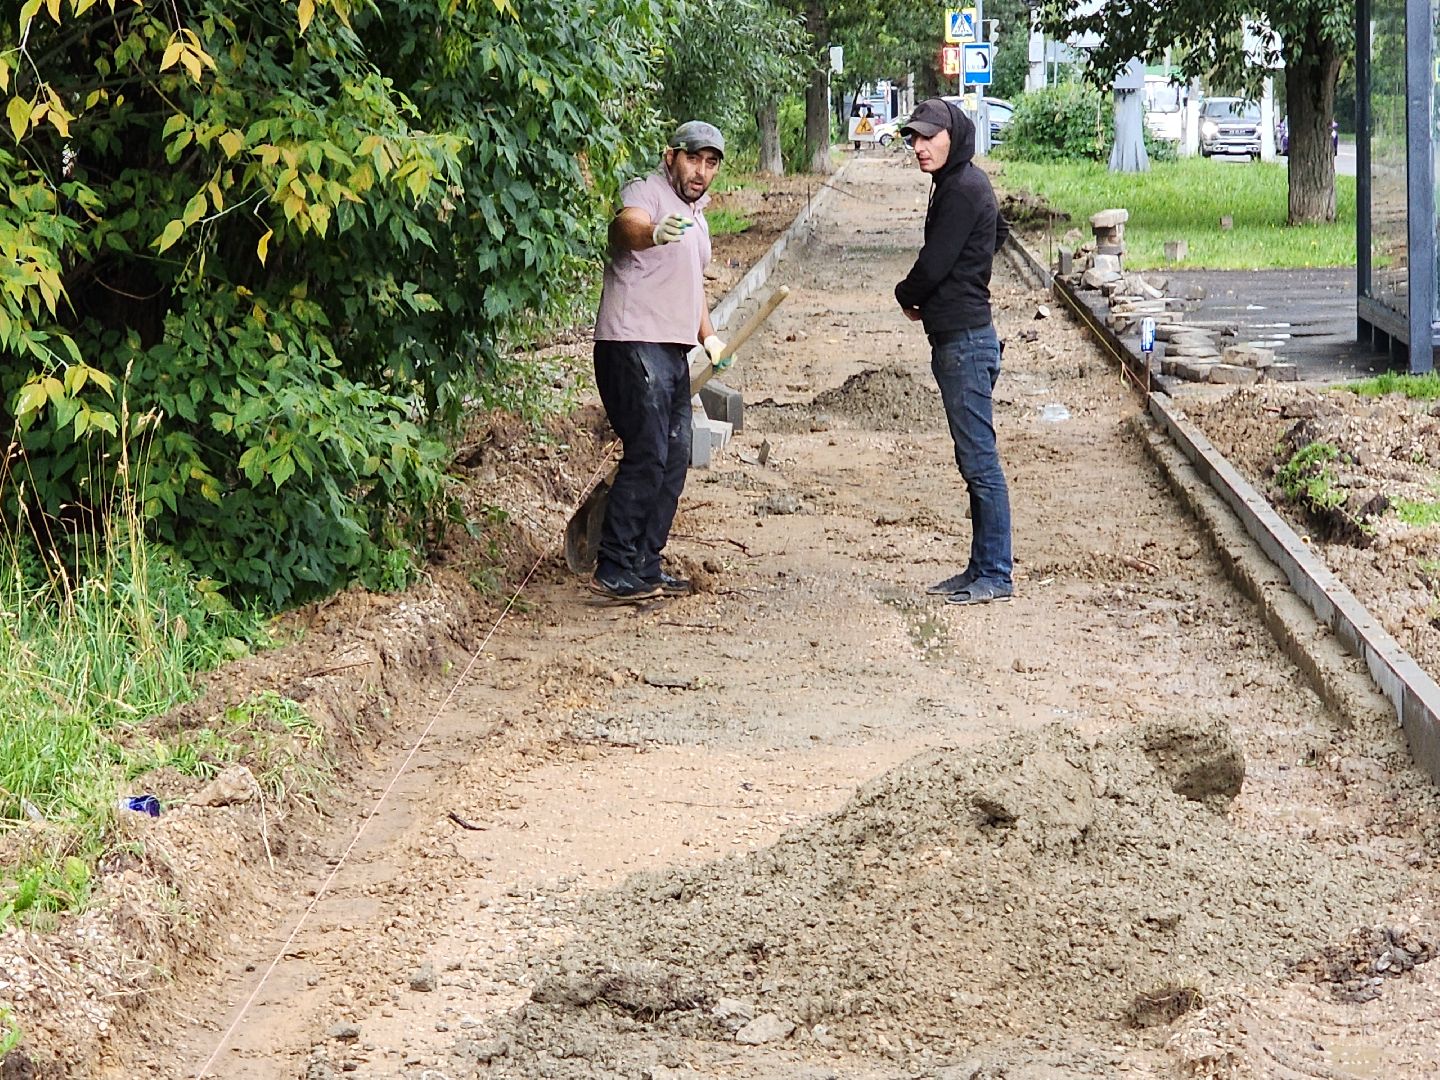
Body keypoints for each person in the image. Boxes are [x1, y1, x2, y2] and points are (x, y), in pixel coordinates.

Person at [588, 121, 729, 602]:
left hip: (673, 350)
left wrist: (709, 338)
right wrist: (652, 232)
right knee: (648, 451)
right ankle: (614, 564)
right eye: (694, 159)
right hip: (630, 345)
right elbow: (625, 229)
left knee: (674, 458)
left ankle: (647, 563)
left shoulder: (700, 218)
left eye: (710, 164)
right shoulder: (643, 191)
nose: (701, 171)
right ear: (671, 156)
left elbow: (694, 287)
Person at [894, 98, 1013, 606]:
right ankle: (980, 566)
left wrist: (910, 294)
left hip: (966, 341)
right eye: (913, 139)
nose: (919, 147)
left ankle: (996, 574)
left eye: (928, 137)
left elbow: (934, 261)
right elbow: (1000, 234)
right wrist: (968, 273)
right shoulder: (960, 183)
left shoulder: (963, 188)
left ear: (954, 135)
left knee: (980, 462)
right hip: (961, 335)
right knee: (973, 459)